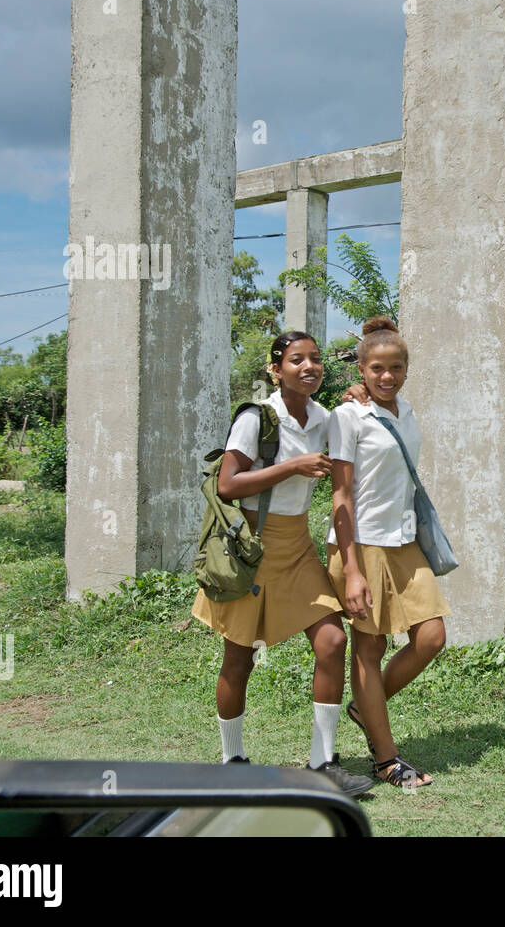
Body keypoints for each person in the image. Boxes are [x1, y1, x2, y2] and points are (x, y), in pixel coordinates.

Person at [191, 331, 373, 796]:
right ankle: (232, 761)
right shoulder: (257, 418)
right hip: (250, 547)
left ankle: (322, 764)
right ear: (276, 369)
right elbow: (230, 484)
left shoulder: (324, 418)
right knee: (240, 657)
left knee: (332, 640)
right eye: (297, 360)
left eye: (315, 359)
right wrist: (292, 467)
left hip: (295, 546)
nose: (309, 366)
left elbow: (354, 432)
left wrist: (358, 396)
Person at [326, 315, 449, 789]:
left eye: (395, 368)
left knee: (431, 637)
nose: (386, 377)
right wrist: (352, 571)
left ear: (405, 369)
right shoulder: (347, 416)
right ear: (361, 369)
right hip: (362, 544)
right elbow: (342, 495)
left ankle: (364, 707)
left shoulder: (408, 411)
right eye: (377, 368)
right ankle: (385, 760)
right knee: (370, 649)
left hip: (404, 541)